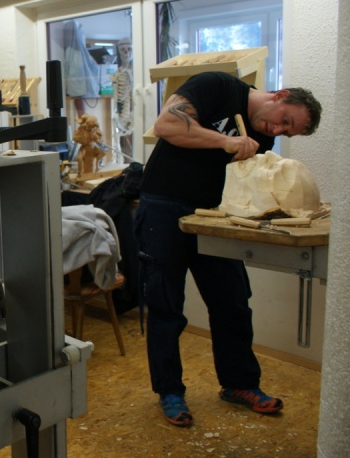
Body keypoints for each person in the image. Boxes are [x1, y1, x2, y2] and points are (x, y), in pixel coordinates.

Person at [135, 71, 321, 427]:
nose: (277, 129)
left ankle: (240, 384)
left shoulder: (263, 137)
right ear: (280, 95)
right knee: (165, 305)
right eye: (284, 120)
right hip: (163, 205)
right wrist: (226, 141)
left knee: (232, 302)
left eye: (286, 132)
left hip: (215, 215)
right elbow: (166, 125)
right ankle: (170, 391)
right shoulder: (217, 86)